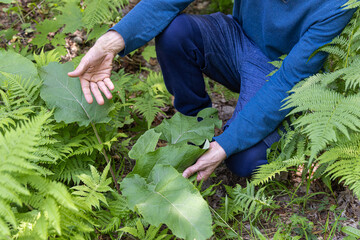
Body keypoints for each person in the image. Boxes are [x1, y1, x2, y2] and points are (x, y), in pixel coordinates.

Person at [68, 0, 356, 181]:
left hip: (278, 74)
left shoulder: (336, 5)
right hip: (236, 39)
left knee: (244, 162)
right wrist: (111, 42)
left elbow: (288, 80)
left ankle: (260, 139)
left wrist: (227, 144)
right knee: (175, 34)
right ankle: (195, 131)